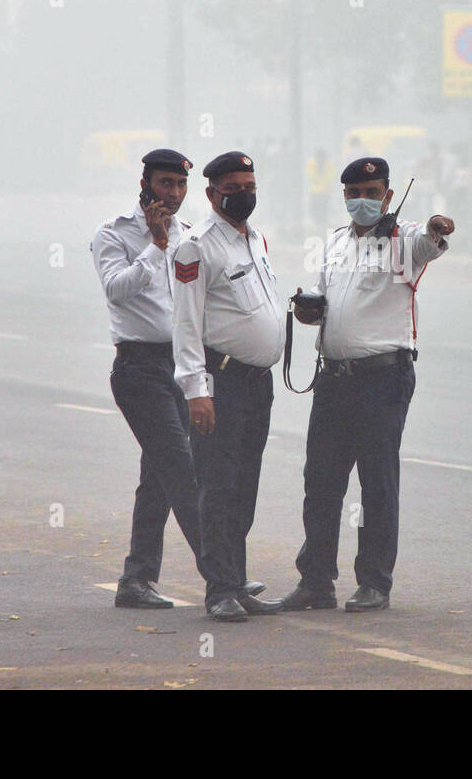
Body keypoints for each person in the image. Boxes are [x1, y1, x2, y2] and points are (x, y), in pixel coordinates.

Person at [91, 149, 265, 609]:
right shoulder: (114, 232)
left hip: (181, 366)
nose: (172, 193)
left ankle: (136, 578)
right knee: (184, 472)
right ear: (145, 183)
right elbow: (117, 290)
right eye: (165, 183)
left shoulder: (191, 236)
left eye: (179, 186)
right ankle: (224, 578)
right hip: (138, 370)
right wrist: (155, 244)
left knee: (159, 478)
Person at [280, 156, 455, 612]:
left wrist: (437, 226)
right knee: (320, 482)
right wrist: (308, 311)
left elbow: (430, 238)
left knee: (376, 482)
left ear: (389, 196)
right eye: (355, 193)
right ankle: (315, 581)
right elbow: (325, 301)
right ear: (344, 196)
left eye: (372, 193)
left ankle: (374, 582)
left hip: (382, 380)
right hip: (333, 379)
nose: (363, 201)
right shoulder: (336, 243)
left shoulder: (403, 241)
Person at [172, 151, 286, 622]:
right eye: (233, 187)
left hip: (258, 384)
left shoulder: (254, 238)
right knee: (217, 487)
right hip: (222, 383)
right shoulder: (196, 246)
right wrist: (198, 389)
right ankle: (219, 589)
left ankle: (237, 582)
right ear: (211, 193)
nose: (244, 194)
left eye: (249, 185)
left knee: (244, 487)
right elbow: (185, 323)